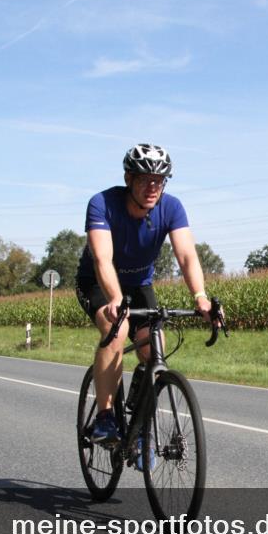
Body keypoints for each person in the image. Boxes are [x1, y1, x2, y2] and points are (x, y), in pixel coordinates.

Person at [75, 144, 221, 468]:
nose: (153, 186)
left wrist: (200, 297)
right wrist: (114, 298)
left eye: (160, 180)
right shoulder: (102, 203)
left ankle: (141, 429)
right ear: (129, 178)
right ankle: (105, 417)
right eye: (145, 179)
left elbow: (186, 256)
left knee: (155, 347)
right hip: (98, 282)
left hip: (140, 284)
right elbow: (102, 258)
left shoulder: (171, 208)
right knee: (117, 329)